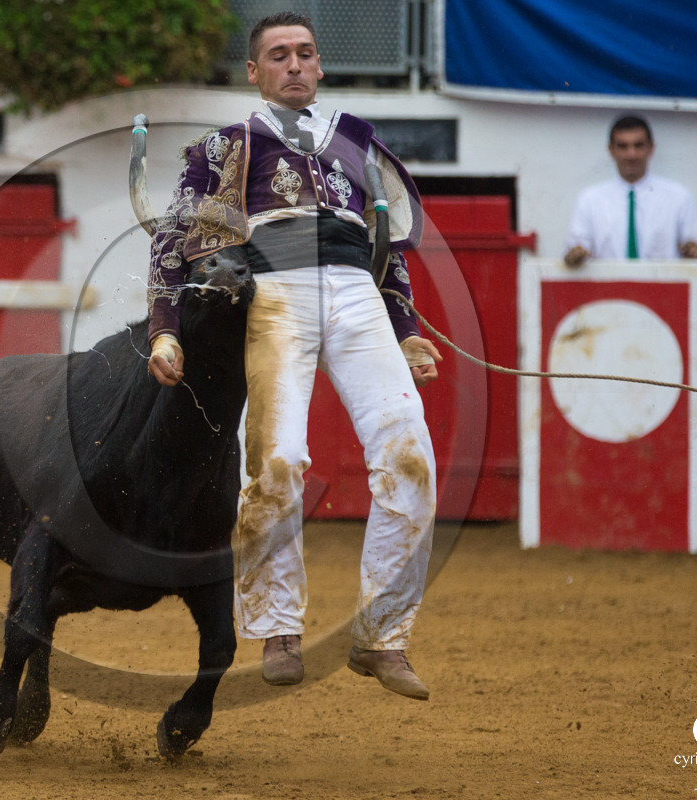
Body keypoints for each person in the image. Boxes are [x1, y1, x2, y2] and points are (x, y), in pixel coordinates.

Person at [145, 11, 440, 700]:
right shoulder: (226, 144)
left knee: (412, 455)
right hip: (274, 292)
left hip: (355, 295)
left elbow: (384, 247)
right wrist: (166, 326)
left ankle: (384, 636)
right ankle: (279, 626)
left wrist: (405, 328)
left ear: (320, 65)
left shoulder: (359, 142)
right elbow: (170, 236)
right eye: (279, 56)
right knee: (278, 459)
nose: (296, 65)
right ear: (255, 72)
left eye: (306, 53)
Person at [564, 115, 697, 267]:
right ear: (611, 150)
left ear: (651, 148)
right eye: (623, 146)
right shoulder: (590, 199)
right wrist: (576, 255)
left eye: (638, 145)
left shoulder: (679, 197)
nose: (631, 154)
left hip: (662, 288)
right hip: (607, 289)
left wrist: (695, 253)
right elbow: (574, 254)